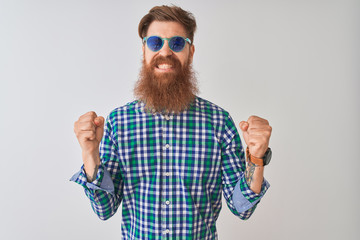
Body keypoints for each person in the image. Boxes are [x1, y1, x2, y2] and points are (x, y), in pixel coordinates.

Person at [70, 5, 272, 240]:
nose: (165, 52)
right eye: (155, 43)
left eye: (176, 43)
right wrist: (90, 153)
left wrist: (256, 158)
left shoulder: (219, 122)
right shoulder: (118, 122)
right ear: (144, 50)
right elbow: (105, 209)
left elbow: (242, 208)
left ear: (191, 51)